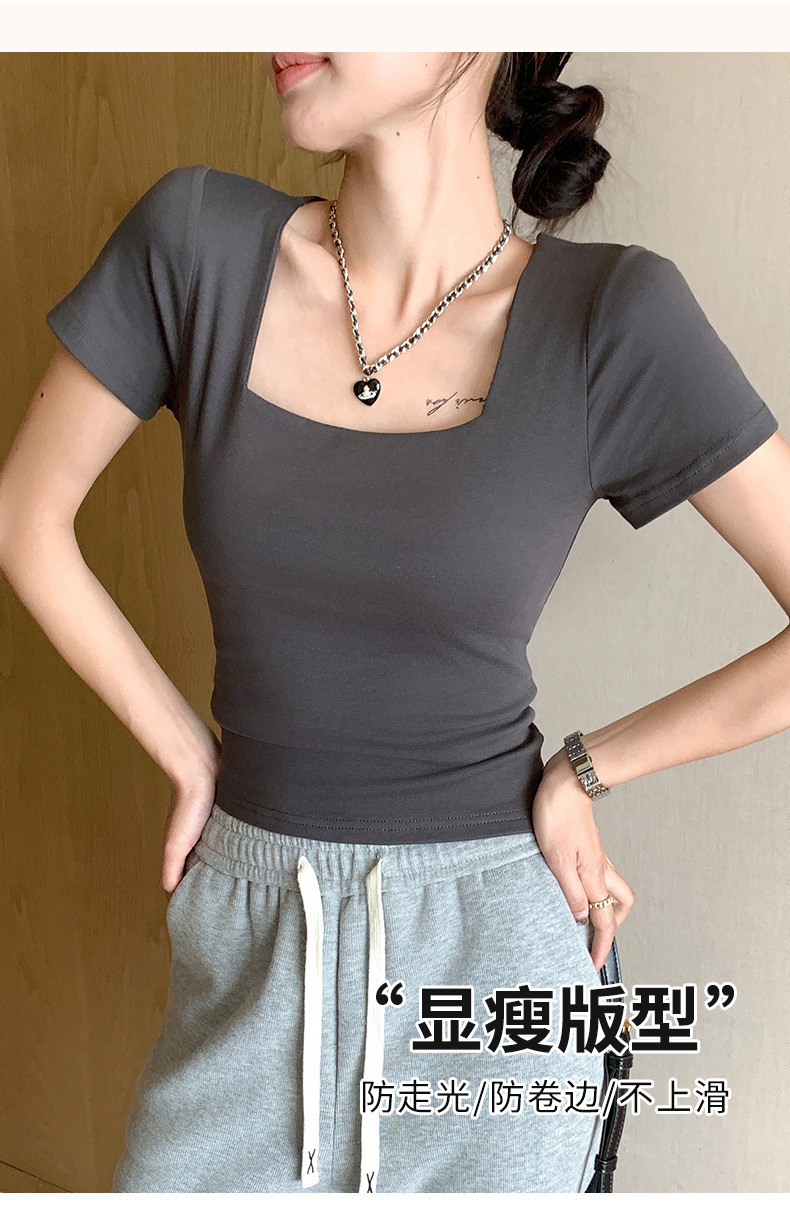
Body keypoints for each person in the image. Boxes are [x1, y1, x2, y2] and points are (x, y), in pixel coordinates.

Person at [0, 51, 788, 1195]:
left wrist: (586, 769)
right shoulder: (194, 243)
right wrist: (184, 749)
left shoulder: (609, 316)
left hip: (494, 975)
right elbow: (26, 518)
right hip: (252, 938)